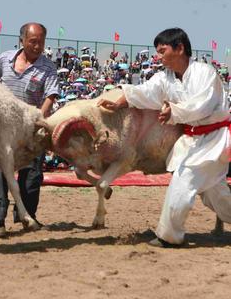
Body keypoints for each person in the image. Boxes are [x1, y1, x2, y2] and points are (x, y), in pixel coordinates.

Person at [98, 28, 231, 247]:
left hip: (213, 139)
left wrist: (174, 112)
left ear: (179, 49)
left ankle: (169, 236)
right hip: (193, 140)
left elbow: (202, 106)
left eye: (162, 51)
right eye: (157, 52)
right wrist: (120, 102)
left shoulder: (204, 73)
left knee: (184, 179)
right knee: (215, 195)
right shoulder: (165, 78)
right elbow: (145, 92)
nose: (158, 56)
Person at [0, 22, 59, 237]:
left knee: (31, 177)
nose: (37, 46)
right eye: (33, 42)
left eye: (41, 42)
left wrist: (37, 117)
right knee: (0, 175)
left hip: (31, 129)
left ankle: (26, 215)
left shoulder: (48, 67)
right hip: (4, 128)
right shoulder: (4, 59)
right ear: (22, 40)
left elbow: (51, 96)